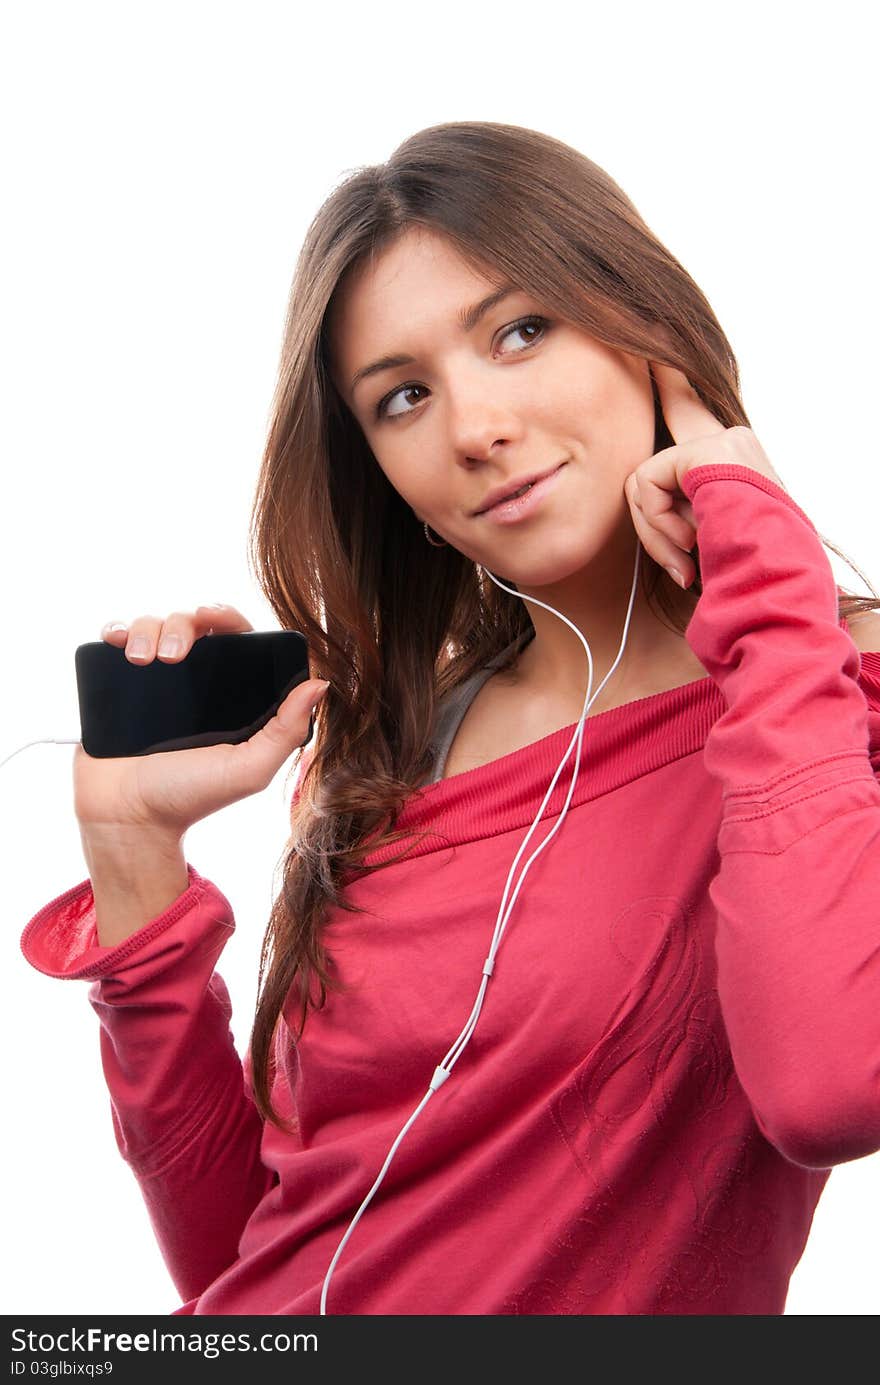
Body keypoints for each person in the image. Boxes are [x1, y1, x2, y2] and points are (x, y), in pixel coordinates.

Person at [21, 121, 880, 1316]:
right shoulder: (394, 746)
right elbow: (248, 1265)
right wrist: (132, 865)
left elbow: (831, 1085)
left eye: (520, 330)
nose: (473, 428)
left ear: (646, 329)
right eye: (403, 396)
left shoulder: (837, 690)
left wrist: (763, 557)